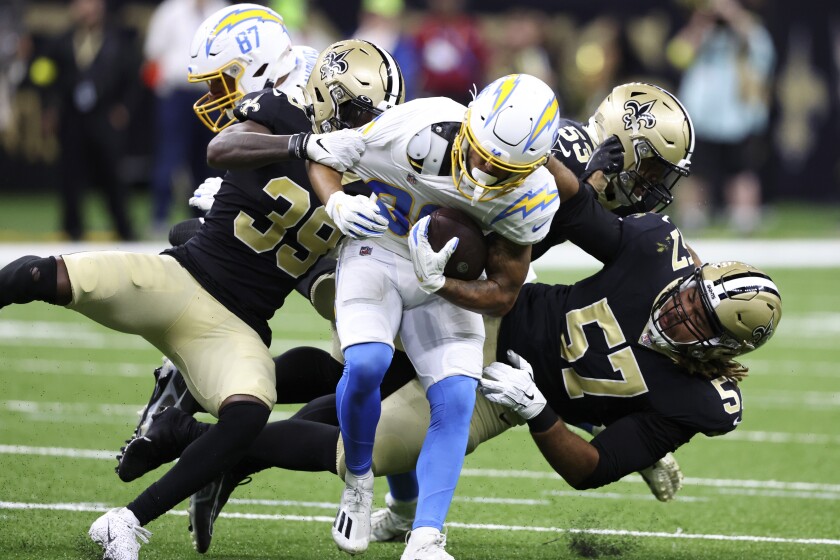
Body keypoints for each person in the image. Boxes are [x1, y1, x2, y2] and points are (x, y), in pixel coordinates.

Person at [122, 132, 782, 557]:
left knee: (364, 448)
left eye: (703, 322)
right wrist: (526, 140)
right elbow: (569, 216)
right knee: (358, 345)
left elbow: (588, 469)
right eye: (694, 295)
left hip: (507, 394)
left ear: (727, 348)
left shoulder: (703, 401)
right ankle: (220, 259)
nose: (685, 311)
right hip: (492, 314)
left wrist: (538, 410)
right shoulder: (654, 250)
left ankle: (190, 436)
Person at [0, 12, 403, 560]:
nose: (364, 122)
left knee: (248, 416)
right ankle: (176, 399)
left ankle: (126, 522)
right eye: (357, 112)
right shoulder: (283, 111)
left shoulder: (381, 177)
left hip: (238, 329)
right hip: (181, 277)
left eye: (372, 115)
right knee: (41, 274)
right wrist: (303, 146)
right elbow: (222, 148)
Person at [304, 73, 561, 559]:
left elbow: (505, 292)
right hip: (378, 248)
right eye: (481, 154)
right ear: (467, 122)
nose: (484, 173)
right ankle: (358, 481)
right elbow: (323, 154)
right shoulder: (419, 126)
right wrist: (336, 202)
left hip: (444, 281)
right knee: (366, 365)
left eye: (502, 168)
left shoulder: (534, 197)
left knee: (458, 398)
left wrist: (443, 283)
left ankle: (425, 538)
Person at [668, 0, 775, 234]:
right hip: (701, 114)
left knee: (741, 170)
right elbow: (677, 57)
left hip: (737, 115)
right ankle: (692, 216)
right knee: (694, 171)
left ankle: (744, 217)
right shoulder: (701, 29)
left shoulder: (748, 29)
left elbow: (764, 53)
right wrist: (701, 24)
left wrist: (734, 17)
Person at [40, 0, 139, 241]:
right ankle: (72, 229)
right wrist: (50, 108)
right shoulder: (61, 41)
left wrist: (124, 108)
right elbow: (45, 76)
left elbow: (133, 77)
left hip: (104, 117)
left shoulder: (118, 40)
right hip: (72, 118)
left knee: (111, 174)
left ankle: (124, 228)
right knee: (70, 175)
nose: (88, 10)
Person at [143, 0, 228, 236]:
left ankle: (205, 219)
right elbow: (152, 53)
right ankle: (159, 217)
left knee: (210, 157)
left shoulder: (222, 11)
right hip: (176, 93)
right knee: (170, 156)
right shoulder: (171, 10)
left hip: (211, 95)